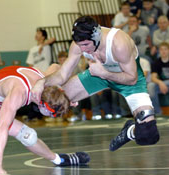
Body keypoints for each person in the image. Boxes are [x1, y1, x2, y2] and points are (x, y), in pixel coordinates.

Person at [32, 16, 160, 152]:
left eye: (86, 45)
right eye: (80, 45)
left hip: (127, 79)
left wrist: (104, 73)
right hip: (96, 75)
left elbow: (132, 78)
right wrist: (42, 82)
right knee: (50, 104)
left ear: (97, 36)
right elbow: (63, 74)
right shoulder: (79, 44)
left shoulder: (118, 42)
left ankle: (129, 131)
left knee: (148, 135)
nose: (83, 49)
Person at [148, 42, 169, 114]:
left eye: (165, 49)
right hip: (161, 85)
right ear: (159, 51)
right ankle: (158, 112)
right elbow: (153, 78)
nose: (163, 51)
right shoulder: (156, 63)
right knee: (150, 86)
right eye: (161, 49)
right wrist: (161, 83)